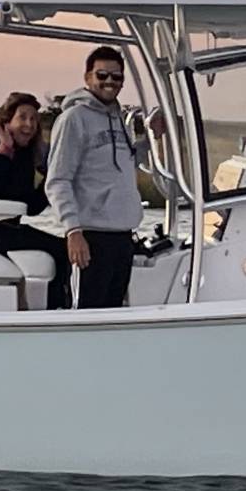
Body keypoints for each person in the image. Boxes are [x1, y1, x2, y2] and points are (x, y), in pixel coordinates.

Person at [45, 46, 150, 309]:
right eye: (102, 75)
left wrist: (154, 138)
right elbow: (58, 179)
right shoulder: (73, 119)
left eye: (117, 77)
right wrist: (73, 230)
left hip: (122, 236)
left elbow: (126, 163)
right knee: (86, 314)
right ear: (87, 77)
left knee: (112, 314)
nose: (109, 82)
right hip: (90, 238)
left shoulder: (119, 119)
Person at [0, 90, 70, 308]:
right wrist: (3, 147)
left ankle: (56, 305)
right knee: (62, 250)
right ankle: (58, 309)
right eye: (22, 117)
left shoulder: (23, 154)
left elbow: (30, 207)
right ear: (6, 121)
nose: (29, 125)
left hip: (6, 230)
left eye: (33, 120)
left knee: (65, 247)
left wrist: (51, 178)